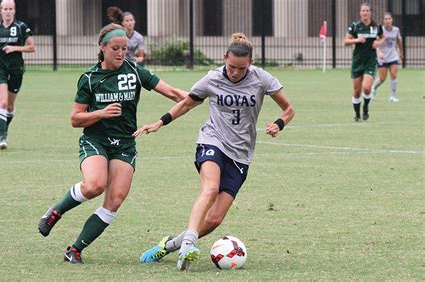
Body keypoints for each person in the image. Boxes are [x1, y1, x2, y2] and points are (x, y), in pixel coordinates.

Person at [134, 33, 295, 271]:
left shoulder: (262, 78)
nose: (235, 72)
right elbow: (187, 102)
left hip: (241, 153)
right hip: (212, 140)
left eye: (241, 68)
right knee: (209, 188)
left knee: (214, 219)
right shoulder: (212, 78)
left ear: (250, 63)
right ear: (224, 59)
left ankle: (170, 245)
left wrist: (279, 124)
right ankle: (189, 244)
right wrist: (160, 122)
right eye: (231, 66)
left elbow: (289, 109)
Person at [37, 24, 187, 264]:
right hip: (96, 140)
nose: (121, 53)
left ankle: (74, 250)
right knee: (95, 185)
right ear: (102, 48)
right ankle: (55, 212)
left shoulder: (134, 71)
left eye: (125, 49)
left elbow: (170, 91)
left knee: (114, 199)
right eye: (115, 48)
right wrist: (101, 113)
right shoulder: (89, 78)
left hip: (125, 144)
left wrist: (197, 96)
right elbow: (75, 119)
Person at [0, 0, 35, 149]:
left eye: (11, 9)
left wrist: (14, 48)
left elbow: (32, 47)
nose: (8, 11)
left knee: (9, 105)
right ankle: (2, 138)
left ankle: (4, 129)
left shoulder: (21, 27)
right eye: (5, 9)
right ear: (1, 11)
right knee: (2, 101)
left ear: (14, 11)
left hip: (16, 69)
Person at [343, 2, 385, 122]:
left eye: (367, 10)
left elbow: (383, 37)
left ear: (370, 12)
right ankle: (357, 114)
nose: (365, 13)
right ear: (360, 13)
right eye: (363, 11)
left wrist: (379, 43)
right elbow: (345, 41)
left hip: (370, 61)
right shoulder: (355, 26)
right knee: (357, 90)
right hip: (357, 61)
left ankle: (365, 107)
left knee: (366, 88)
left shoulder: (376, 27)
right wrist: (357, 40)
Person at [371, 12, 403, 102]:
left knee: (393, 75)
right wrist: (379, 52)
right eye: (386, 19)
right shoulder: (380, 30)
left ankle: (392, 96)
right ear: (383, 21)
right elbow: (375, 43)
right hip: (382, 57)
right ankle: (373, 88)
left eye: (389, 19)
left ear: (392, 20)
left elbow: (399, 41)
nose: (388, 21)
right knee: (382, 78)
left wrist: (401, 52)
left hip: (393, 56)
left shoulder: (396, 30)